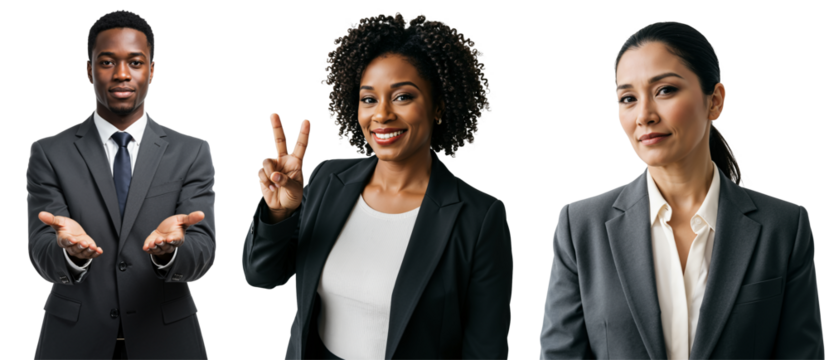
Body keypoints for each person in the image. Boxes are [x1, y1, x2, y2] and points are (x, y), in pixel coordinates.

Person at [537, 21, 825, 359]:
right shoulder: (581, 226)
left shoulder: (784, 226)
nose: (644, 115)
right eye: (627, 98)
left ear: (715, 101)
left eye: (665, 90)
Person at [241, 11, 513, 360]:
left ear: (439, 106)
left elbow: (485, 350)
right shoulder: (327, 180)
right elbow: (261, 276)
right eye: (369, 99)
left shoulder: (478, 218)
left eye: (403, 97)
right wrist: (279, 212)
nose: (381, 114)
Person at [26, 10, 217, 360]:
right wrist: (69, 253)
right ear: (88, 71)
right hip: (73, 343)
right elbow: (40, 251)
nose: (122, 74)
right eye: (107, 62)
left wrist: (168, 252)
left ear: (152, 71)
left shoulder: (191, 152)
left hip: (167, 343)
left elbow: (203, 251)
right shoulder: (48, 153)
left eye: (135, 62)